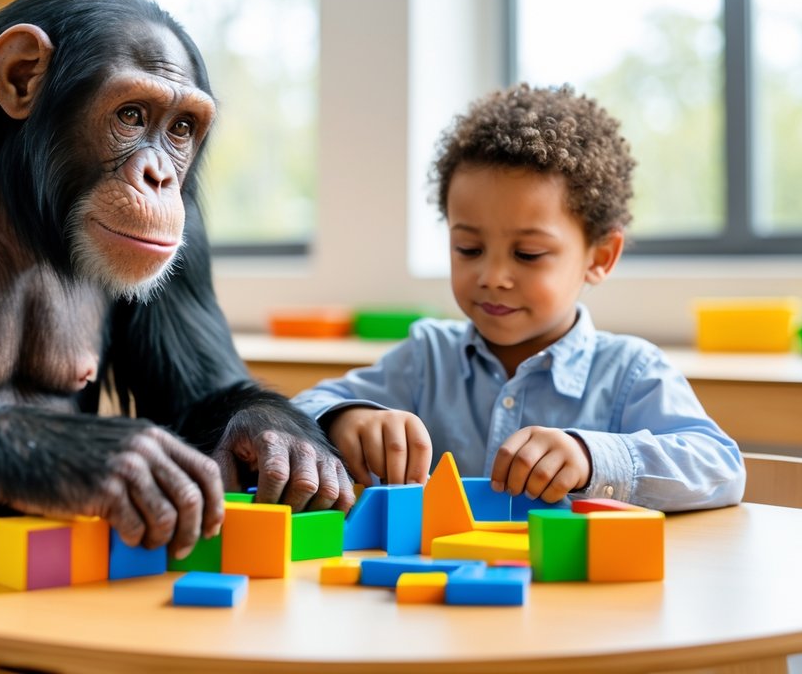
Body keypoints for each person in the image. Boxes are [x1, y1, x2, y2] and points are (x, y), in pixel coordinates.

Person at [292, 83, 745, 511]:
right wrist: (345, 418)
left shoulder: (630, 372)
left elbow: (720, 467)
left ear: (600, 257)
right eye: (468, 249)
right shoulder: (427, 359)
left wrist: (592, 457)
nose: (492, 276)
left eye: (528, 254)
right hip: (445, 584)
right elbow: (295, 415)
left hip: (571, 590)